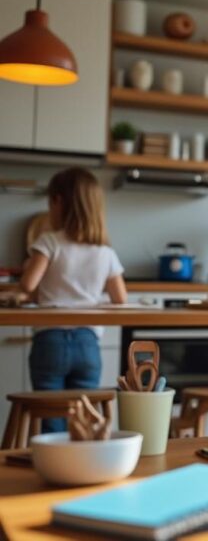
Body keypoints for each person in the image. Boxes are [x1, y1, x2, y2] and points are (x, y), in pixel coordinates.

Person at [19, 167, 126, 432]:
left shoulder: (49, 242)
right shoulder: (105, 251)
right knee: (82, 413)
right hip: (88, 343)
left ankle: (55, 468)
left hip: (50, 340)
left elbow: (28, 284)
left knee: (52, 416)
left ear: (58, 202)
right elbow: (120, 298)